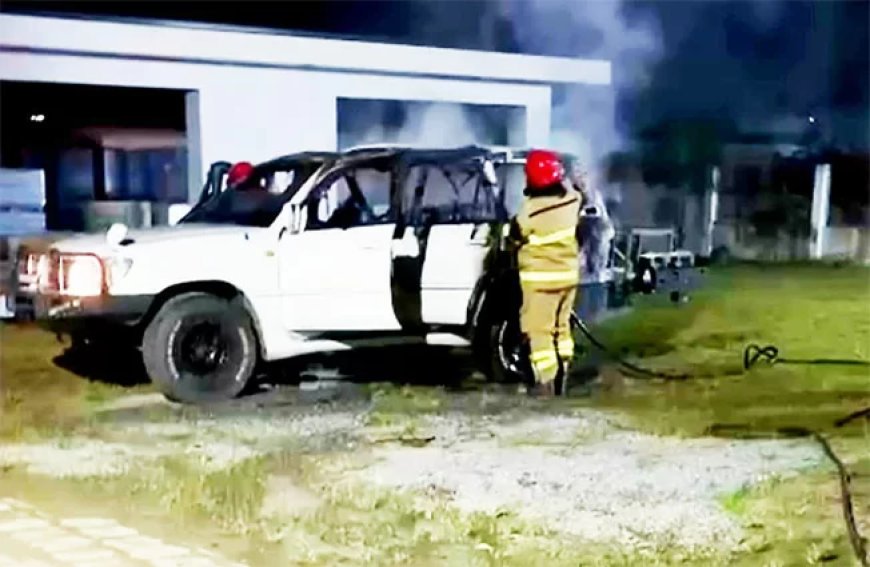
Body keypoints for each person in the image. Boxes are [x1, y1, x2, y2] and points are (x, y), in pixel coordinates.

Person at [507, 149, 582, 399]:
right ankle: (565, 371)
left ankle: (545, 383)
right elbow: (578, 191)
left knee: (538, 331)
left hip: (540, 283)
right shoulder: (571, 201)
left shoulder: (529, 212)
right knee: (562, 328)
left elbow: (514, 236)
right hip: (568, 279)